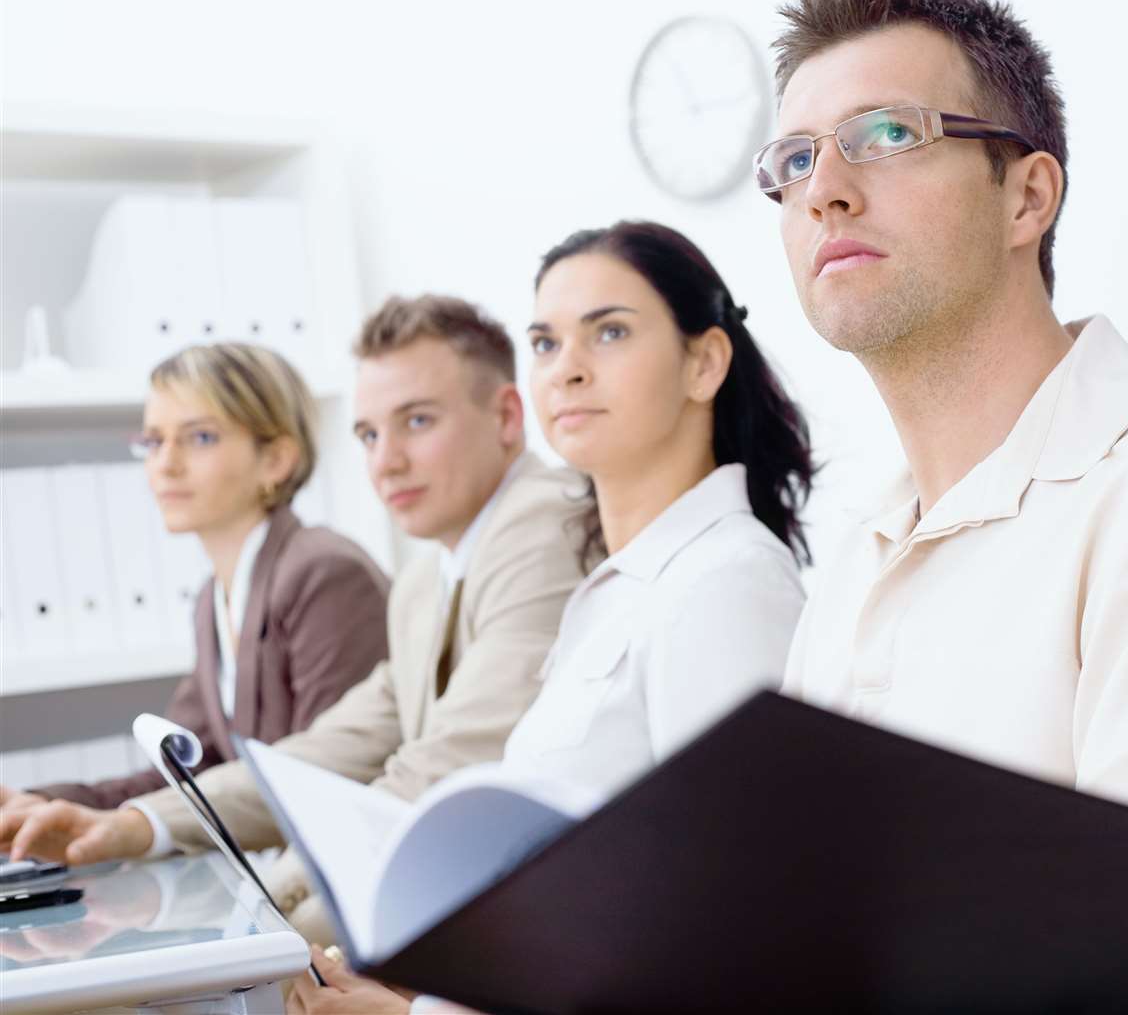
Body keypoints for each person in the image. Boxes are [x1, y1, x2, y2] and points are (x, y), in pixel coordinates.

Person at [764, 0, 1128, 835]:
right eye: (795, 159)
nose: (823, 192)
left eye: (885, 136)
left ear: (1027, 197)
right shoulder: (852, 571)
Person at [287, 222, 814, 1014]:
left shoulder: (726, 584)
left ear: (703, 362)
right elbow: (595, 924)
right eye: (545, 342)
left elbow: (728, 949)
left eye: (608, 332)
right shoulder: (615, 592)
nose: (567, 369)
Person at [3, 295, 589, 948]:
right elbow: (298, 759)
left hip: (514, 916)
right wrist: (133, 822)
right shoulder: (425, 578)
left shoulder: (537, 525)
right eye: (367, 435)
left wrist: (269, 912)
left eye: (417, 422)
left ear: (508, 417)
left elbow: (437, 761)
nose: (385, 462)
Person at [0, 343, 387, 813]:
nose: (165, 464)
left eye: (199, 437)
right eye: (153, 442)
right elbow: (188, 769)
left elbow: (327, 780)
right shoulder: (213, 601)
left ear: (276, 460)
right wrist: (45, 804)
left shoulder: (324, 575)